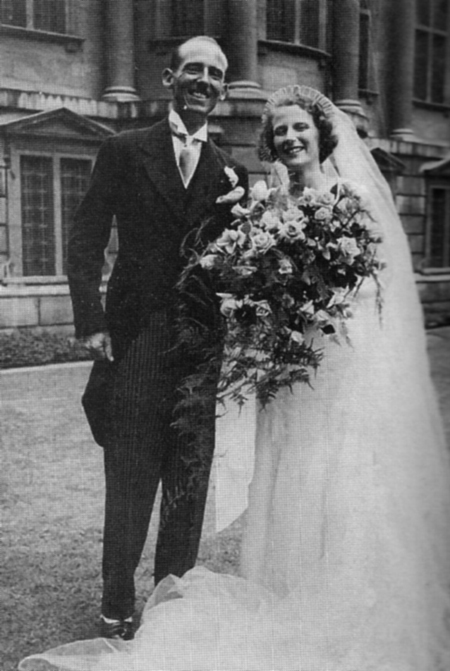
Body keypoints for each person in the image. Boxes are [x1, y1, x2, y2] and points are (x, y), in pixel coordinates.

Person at [20, 87, 450, 670]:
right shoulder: (264, 202)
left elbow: (378, 287)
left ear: (323, 134)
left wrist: (319, 308)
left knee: (338, 474)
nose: (290, 139)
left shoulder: (352, 198)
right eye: (280, 132)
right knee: (283, 474)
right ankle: (253, 592)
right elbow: (237, 272)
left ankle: (344, 596)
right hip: (279, 368)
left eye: (300, 128)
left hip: (336, 364)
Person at [64, 35, 247, 641]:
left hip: (200, 345)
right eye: (193, 69)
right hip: (137, 335)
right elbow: (87, 236)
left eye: (215, 74)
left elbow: (234, 264)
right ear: (170, 78)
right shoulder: (124, 149)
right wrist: (91, 320)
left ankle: (172, 607)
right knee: (130, 475)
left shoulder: (232, 171)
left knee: (188, 482)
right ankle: (117, 603)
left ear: (223, 89)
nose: (203, 81)